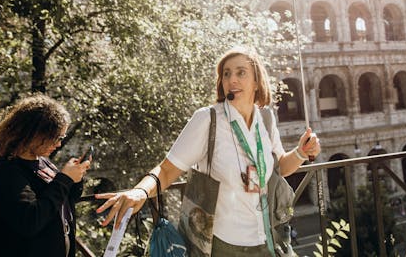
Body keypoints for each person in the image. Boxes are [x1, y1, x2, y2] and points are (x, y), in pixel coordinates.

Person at [96, 47, 321, 256]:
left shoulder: (266, 118)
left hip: (271, 239)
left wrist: (301, 152)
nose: (232, 79)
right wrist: (141, 192)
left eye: (241, 72)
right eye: (226, 73)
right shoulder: (208, 120)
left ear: (256, 81)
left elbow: (280, 166)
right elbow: (165, 171)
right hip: (225, 246)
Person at [0, 94, 91, 257]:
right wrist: (64, 179)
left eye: (61, 138)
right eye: (56, 137)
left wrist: (75, 179)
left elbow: (64, 200)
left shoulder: (43, 161)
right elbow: (30, 221)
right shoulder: (6, 171)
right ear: (33, 133)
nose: (58, 144)